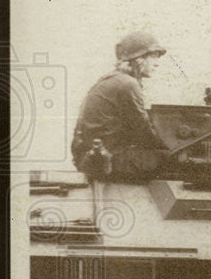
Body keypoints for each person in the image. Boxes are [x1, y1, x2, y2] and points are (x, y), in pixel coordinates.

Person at [71, 31, 170, 181]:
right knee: (173, 159)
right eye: (153, 57)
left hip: (91, 157)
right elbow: (143, 131)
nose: (157, 63)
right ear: (139, 59)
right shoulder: (128, 84)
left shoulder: (113, 80)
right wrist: (169, 148)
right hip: (107, 160)